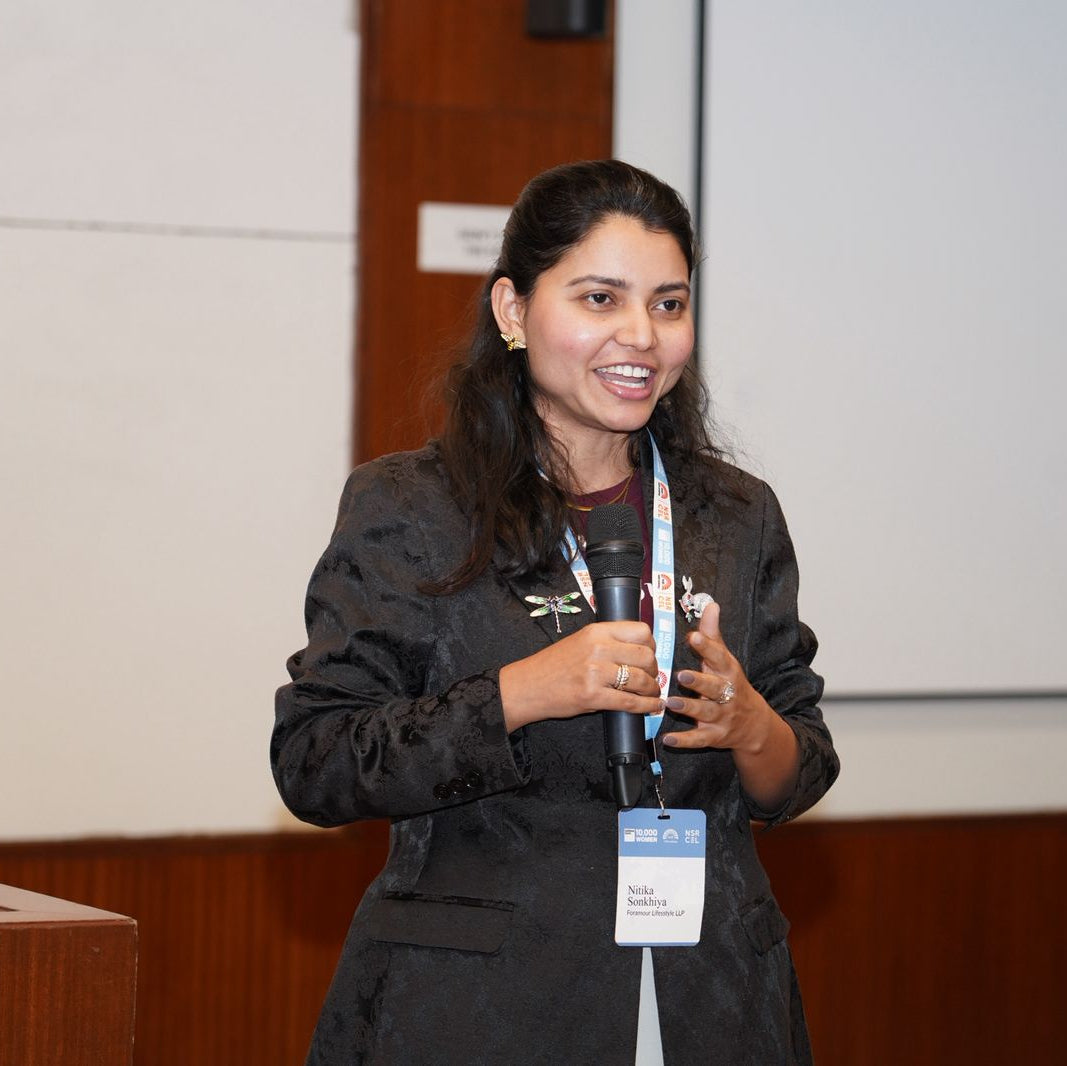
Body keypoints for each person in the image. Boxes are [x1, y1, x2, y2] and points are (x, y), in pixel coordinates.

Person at [271, 159, 839, 1065]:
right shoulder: (414, 507)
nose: (640, 336)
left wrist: (749, 723)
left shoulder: (734, 511)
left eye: (667, 303)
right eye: (599, 298)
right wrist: (517, 694)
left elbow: (799, 767)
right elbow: (315, 762)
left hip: (712, 999)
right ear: (511, 311)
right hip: (482, 1009)